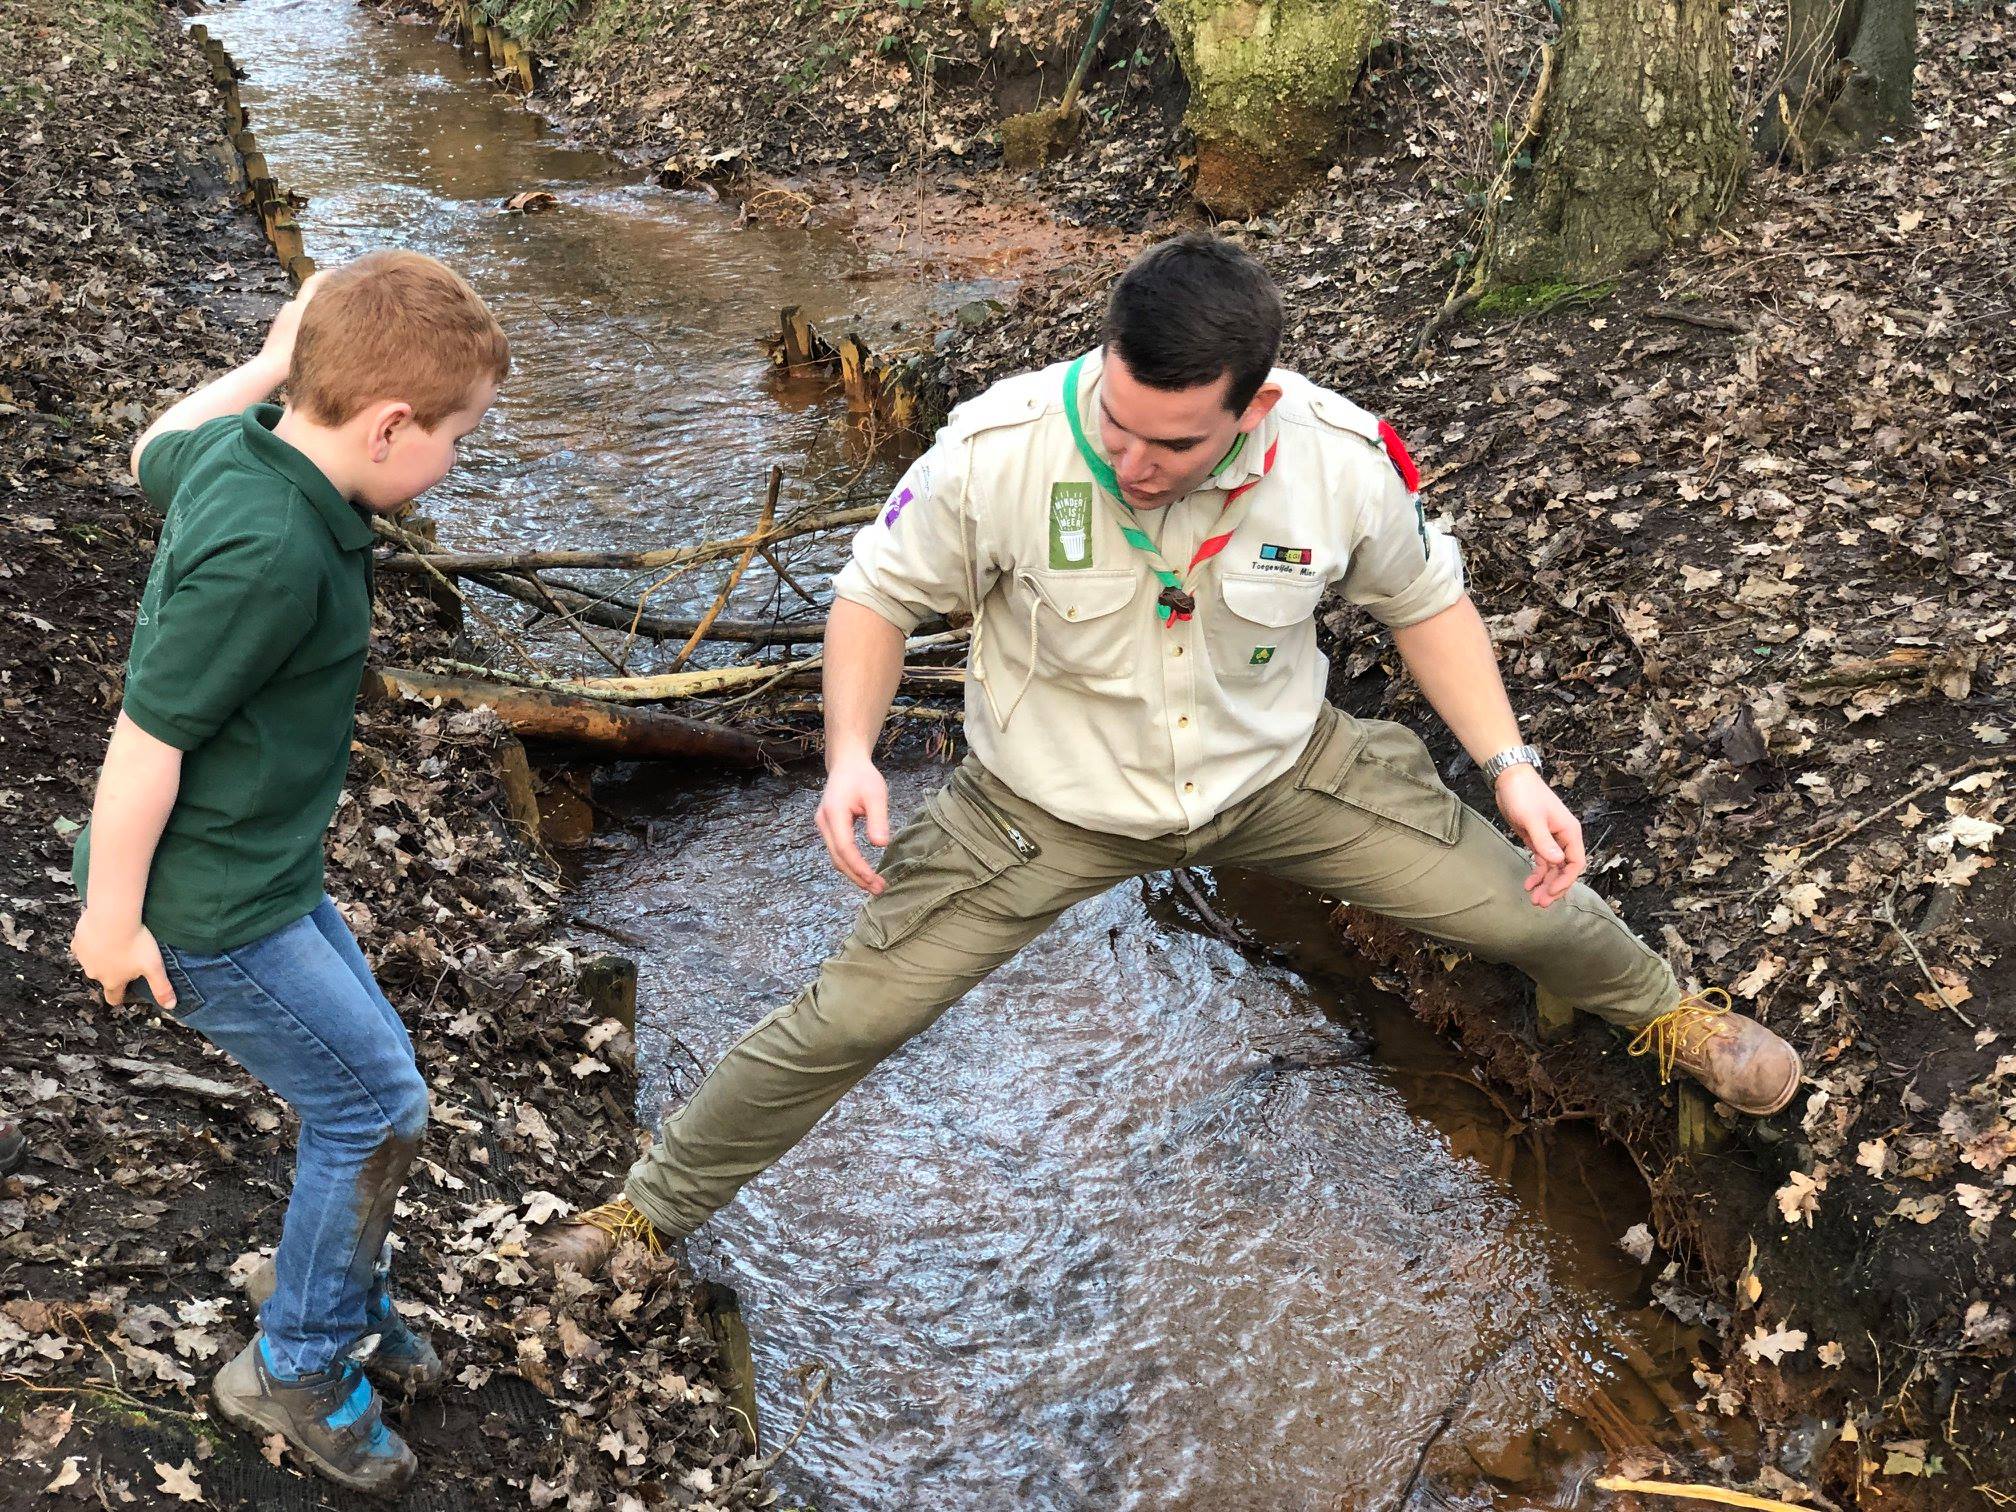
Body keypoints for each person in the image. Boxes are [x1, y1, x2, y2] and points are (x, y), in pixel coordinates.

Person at [533, 232, 1801, 1276]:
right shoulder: (1000, 448)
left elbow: (1426, 605)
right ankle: (648, 1211)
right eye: (1118, 423)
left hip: (1281, 776)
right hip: (1042, 804)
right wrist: (852, 754)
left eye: (1172, 445)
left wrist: (1514, 766)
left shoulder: (1341, 462)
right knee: (848, 1020)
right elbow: (873, 596)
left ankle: (1674, 1016)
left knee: (1523, 909)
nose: (1132, 462)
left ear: (1252, 405)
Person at [68, 250, 508, 1498]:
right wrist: (109, 918)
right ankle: (298, 1363)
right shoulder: (269, 555)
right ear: (386, 424)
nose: (456, 462)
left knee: (379, 1091)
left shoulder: (252, 448)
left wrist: (273, 362)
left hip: (265, 875)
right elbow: (147, 742)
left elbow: (158, 440)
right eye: (457, 438)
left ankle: (331, 1286)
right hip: (208, 910)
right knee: (375, 1111)